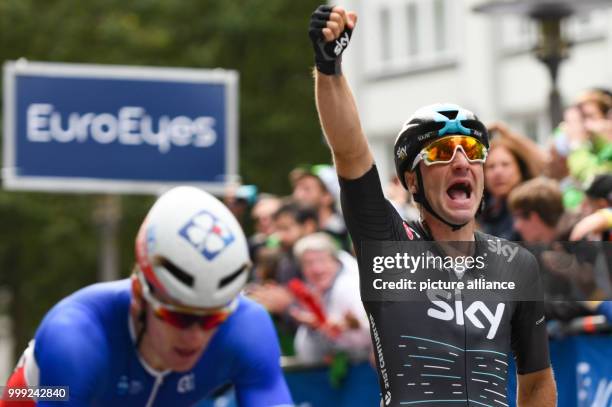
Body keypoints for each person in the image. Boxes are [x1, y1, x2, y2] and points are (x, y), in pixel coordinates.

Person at [308, 5, 556, 406]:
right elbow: (350, 153)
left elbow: (537, 381)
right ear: (412, 182)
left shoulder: (517, 264)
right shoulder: (388, 246)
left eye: (472, 150)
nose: (461, 161)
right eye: (441, 152)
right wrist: (329, 67)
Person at [1, 186, 293, 407]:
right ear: (139, 296)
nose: (195, 336)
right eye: (178, 316)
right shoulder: (75, 339)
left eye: (213, 318)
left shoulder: (246, 326)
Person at [290, 233, 370, 364]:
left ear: (335, 260)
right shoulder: (311, 291)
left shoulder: (353, 285)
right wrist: (315, 327)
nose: (317, 269)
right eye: (308, 263)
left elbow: (373, 334)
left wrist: (355, 325)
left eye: (321, 260)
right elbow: (306, 355)